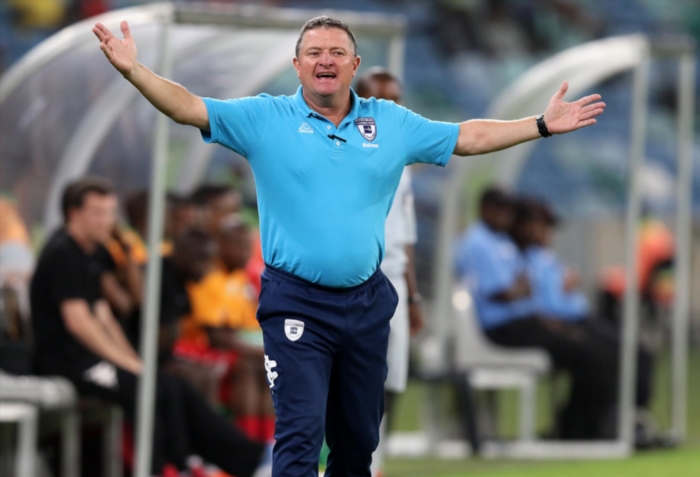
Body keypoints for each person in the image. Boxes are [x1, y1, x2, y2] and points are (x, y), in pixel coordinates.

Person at [92, 15, 605, 476]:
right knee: (300, 435)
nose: (326, 60)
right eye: (314, 52)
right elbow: (189, 108)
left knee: (358, 444)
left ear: (354, 65)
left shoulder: (390, 122)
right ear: (297, 65)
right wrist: (136, 72)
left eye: (337, 52)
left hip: (365, 303)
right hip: (296, 303)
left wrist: (540, 125)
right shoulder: (265, 119)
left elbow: (466, 136)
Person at [29, 177, 266, 477]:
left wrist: (131, 360)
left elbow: (103, 317)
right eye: (97, 213)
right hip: (65, 361)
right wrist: (126, 364)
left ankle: (224, 461)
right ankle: (157, 468)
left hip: (91, 357)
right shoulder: (62, 253)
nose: (107, 222)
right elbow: (79, 323)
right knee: (146, 389)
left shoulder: (92, 252)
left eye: (111, 213)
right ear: (73, 214)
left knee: (169, 385)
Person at [455, 188, 618, 439]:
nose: (505, 215)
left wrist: (523, 291)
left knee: (594, 349)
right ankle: (577, 430)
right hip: (502, 327)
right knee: (590, 352)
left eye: (508, 210)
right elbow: (503, 292)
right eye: (500, 209)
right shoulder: (480, 241)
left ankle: (582, 427)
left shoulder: (497, 242)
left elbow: (523, 289)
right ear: (485, 209)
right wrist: (521, 290)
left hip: (520, 322)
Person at [354, 68, 424, 477]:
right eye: (378, 100)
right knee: (352, 375)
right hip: (353, 278)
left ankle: (375, 461)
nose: (388, 108)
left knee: (390, 378)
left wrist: (413, 296)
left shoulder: (403, 157)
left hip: (394, 279)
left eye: (395, 100)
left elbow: (406, 232)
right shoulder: (342, 149)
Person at [178, 214, 275, 444]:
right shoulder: (209, 277)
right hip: (196, 347)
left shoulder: (240, 278)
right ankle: (245, 443)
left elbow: (242, 326)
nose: (246, 253)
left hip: (230, 345)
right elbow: (215, 336)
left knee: (269, 367)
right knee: (248, 365)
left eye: (248, 247)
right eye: (239, 247)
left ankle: (268, 444)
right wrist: (260, 351)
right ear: (221, 246)